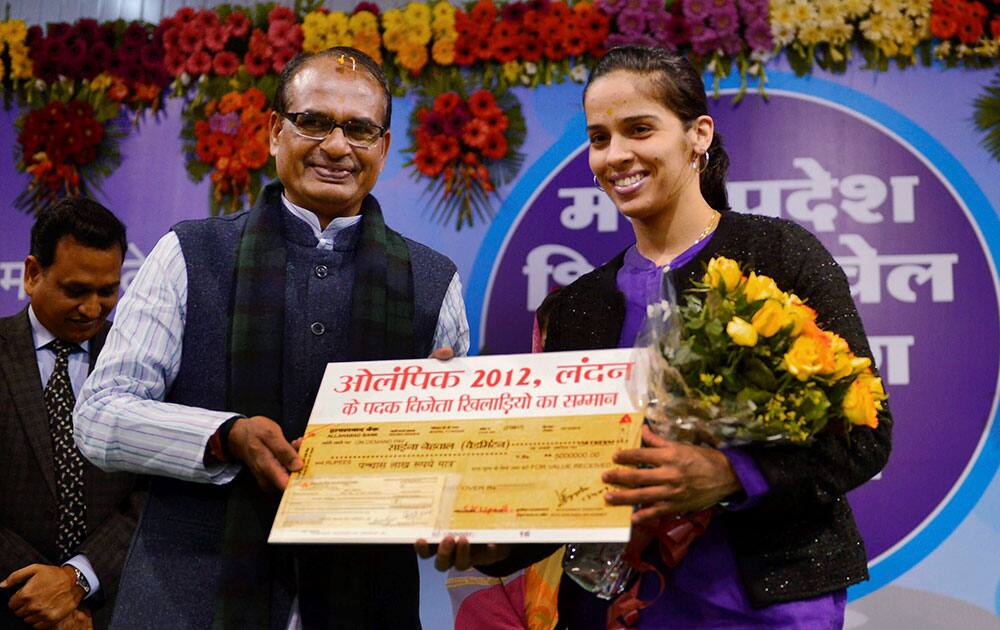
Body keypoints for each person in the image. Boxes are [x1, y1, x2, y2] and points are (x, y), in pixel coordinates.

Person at [423, 45, 891, 628]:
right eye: (599, 138)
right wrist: (500, 547)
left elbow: (864, 437)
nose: (616, 156)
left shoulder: (778, 256)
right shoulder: (574, 308)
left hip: (767, 603)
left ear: (698, 135)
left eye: (639, 129)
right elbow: (566, 486)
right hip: (614, 607)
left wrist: (730, 475)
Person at [74, 46, 469, 629]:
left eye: (360, 129)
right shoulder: (188, 253)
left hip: (365, 600)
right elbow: (100, 418)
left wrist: (436, 433)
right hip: (189, 599)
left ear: (383, 148)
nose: (336, 146)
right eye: (313, 122)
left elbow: (451, 470)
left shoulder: (434, 281)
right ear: (273, 133)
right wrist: (225, 435)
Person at [0, 198, 143, 630]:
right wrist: (43, 593)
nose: (93, 308)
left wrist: (77, 580)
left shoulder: (139, 366)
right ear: (31, 274)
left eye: (108, 291)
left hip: (109, 610)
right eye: (76, 290)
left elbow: (152, 492)